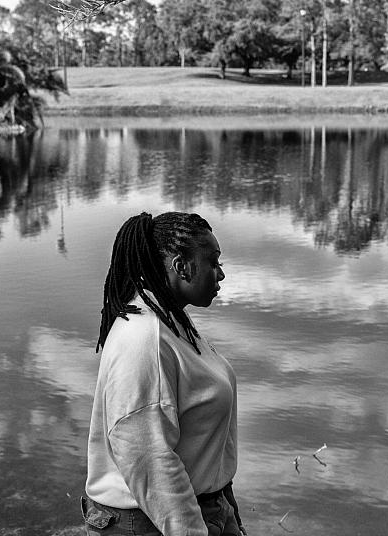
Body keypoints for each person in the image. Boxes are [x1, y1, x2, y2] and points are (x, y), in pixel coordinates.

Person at [81, 211, 246, 536]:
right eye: (213, 262)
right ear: (181, 266)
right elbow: (146, 456)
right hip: (148, 522)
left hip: (193, 507)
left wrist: (225, 509)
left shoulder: (171, 322)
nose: (221, 274)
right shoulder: (144, 339)